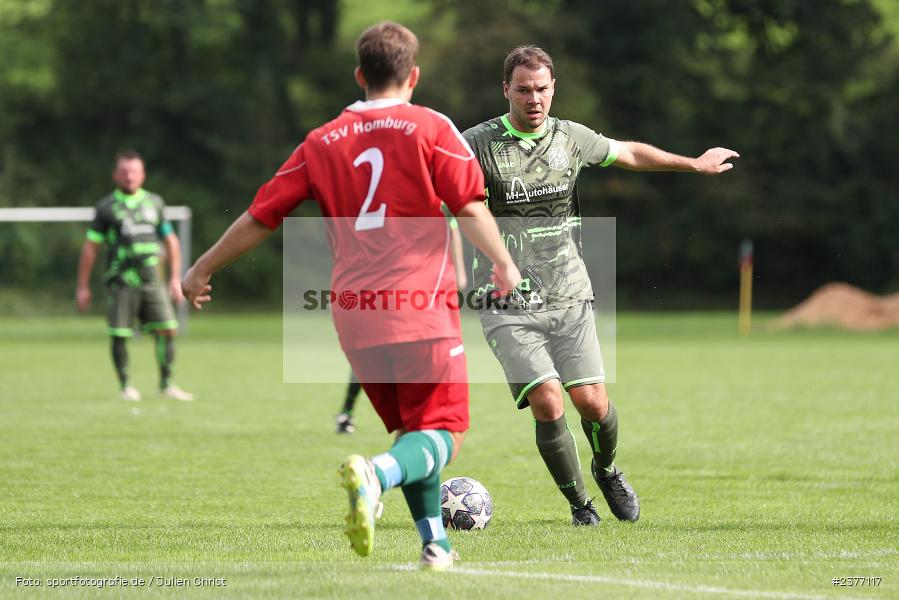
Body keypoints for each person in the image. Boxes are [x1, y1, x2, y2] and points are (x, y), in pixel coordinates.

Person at [181, 22, 520, 569]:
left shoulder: (320, 141)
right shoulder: (431, 127)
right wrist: (502, 264)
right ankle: (377, 474)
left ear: (360, 75)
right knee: (446, 431)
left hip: (355, 316)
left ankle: (437, 544)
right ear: (413, 75)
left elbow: (261, 215)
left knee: (416, 429)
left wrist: (201, 266)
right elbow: (468, 205)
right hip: (420, 307)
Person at [463, 46, 738, 526]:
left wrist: (693, 164)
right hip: (506, 300)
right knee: (547, 399)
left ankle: (606, 469)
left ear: (554, 89)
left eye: (542, 89)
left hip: (569, 293)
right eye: (523, 89)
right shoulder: (476, 145)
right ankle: (580, 507)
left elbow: (628, 152)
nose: (534, 99)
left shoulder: (571, 138)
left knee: (592, 402)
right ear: (505, 89)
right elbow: (438, 189)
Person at [76, 151, 194, 402]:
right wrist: (83, 286)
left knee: (168, 330)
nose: (129, 176)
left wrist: (175, 278)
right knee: (120, 333)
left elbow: (170, 240)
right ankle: (126, 386)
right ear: (115, 175)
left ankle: (166, 385)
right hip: (122, 282)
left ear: (143, 175)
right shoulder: (106, 208)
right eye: (124, 172)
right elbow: (90, 247)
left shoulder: (155, 203)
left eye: (134, 171)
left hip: (153, 281)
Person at [335, 214, 468, 434]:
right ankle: (353, 414)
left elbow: (452, 229)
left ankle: (350, 414)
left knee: (379, 356)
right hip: (401, 294)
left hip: (405, 293)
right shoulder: (412, 207)